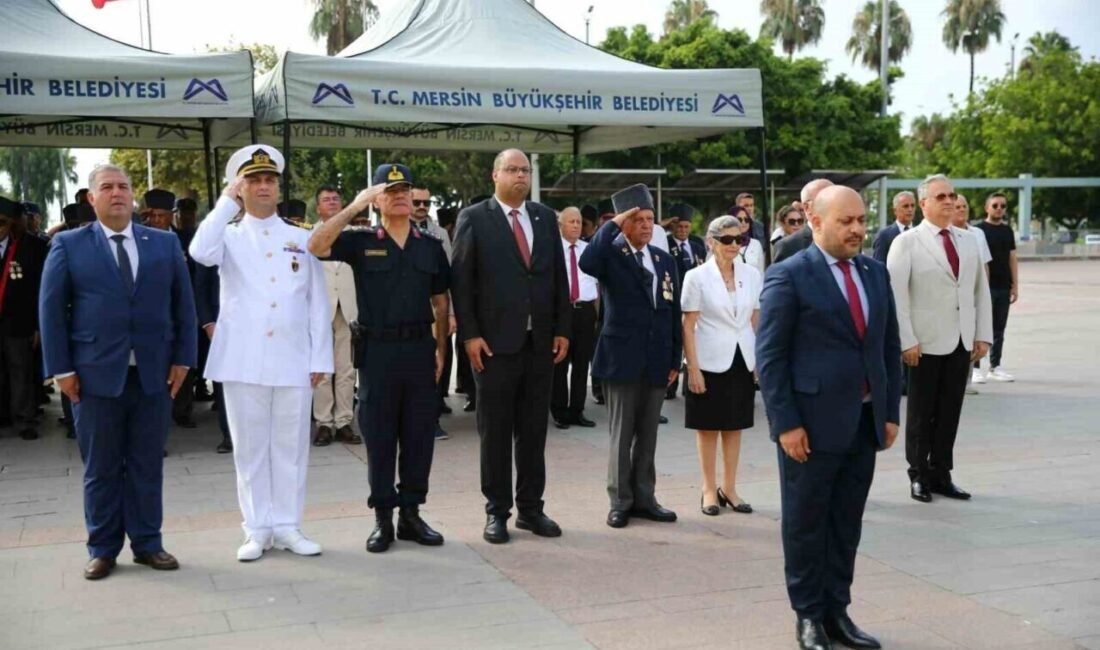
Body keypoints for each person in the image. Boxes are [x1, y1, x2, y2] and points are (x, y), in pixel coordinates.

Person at [756, 185, 901, 650]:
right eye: (846, 221)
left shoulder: (875, 273)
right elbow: (771, 357)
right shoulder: (788, 275)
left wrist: (890, 410)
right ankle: (808, 616)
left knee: (846, 522)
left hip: (863, 423)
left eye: (861, 219)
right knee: (805, 522)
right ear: (815, 222)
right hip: (810, 429)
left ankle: (838, 610)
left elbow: (886, 346)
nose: (858, 229)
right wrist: (786, 424)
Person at [39, 164, 197, 580]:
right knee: (101, 466)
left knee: (147, 462)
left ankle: (148, 543)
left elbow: (184, 305)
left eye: (123, 187)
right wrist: (61, 370)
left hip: (154, 375)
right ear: (91, 199)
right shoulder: (69, 245)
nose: (116, 193)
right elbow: (51, 312)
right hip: (92, 377)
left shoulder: (163, 244)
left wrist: (184, 359)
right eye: (106, 187)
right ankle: (103, 548)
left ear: (134, 196)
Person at [189, 145, 333, 562]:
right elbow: (199, 251)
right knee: (250, 449)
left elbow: (317, 302)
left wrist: (320, 358)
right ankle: (256, 528)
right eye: (254, 180)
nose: (264, 186)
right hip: (244, 358)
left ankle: (288, 525)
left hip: (292, 356)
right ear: (241, 186)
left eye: (270, 179)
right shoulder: (227, 235)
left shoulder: (300, 236)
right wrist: (224, 202)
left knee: (290, 447)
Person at [309, 163, 451, 554]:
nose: (400, 195)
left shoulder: (430, 245)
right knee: (381, 436)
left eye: (404, 189)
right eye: (389, 191)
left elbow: (441, 301)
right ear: (376, 199)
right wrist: (354, 206)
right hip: (378, 352)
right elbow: (316, 245)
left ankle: (411, 513)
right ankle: (383, 518)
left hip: (420, 349)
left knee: (421, 435)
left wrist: (441, 350)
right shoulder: (360, 240)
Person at [451, 148, 571, 545]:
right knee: (497, 432)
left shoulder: (543, 218)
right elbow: (462, 282)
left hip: (540, 345)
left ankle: (531, 509)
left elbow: (557, 277)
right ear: (495, 175)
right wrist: (469, 334)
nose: (520, 176)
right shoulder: (474, 218)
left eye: (525, 170)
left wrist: (561, 329)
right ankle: (496, 511)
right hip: (494, 347)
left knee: (534, 431)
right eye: (512, 170)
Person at [579, 184, 680, 530]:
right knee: (622, 435)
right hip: (621, 357)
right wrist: (615, 223)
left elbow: (671, 310)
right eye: (638, 219)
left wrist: (674, 359)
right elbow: (587, 260)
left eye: (650, 219)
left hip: (656, 358)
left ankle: (645, 498)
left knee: (648, 435)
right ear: (624, 223)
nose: (646, 225)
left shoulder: (664, 260)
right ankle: (619, 500)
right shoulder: (610, 256)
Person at [887, 174, 992, 504]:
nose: (949, 201)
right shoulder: (907, 242)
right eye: (941, 196)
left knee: (950, 410)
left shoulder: (969, 240)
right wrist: (906, 339)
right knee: (921, 411)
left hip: (961, 340)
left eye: (952, 195)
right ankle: (918, 474)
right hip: (924, 342)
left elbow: (980, 291)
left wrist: (982, 335)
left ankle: (941, 472)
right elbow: (896, 295)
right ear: (923, 204)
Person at [681, 215, 761, 516]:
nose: (733, 245)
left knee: (735, 425)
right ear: (711, 242)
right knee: (707, 426)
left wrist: (757, 359)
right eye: (726, 240)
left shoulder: (751, 274)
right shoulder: (696, 276)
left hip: (742, 357)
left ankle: (730, 487)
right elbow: (688, 325)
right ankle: (708, 489)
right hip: (708, 358)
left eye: (738, 239)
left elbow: (755, 318)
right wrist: (693, 367)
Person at [311, 185, 361, 447]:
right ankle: (323, 423)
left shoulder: (356, 236)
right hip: (320, 310)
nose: (331, 203)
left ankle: (343, 421)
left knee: (346, 369)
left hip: (349, 309)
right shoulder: (309, 235)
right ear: (318, 207)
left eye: (335, 199)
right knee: (322, 371)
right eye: (326, 200)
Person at [411, 184, 456, 439]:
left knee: (438, 360)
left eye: (426, 204)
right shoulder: (397, 228)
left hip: (437, 307)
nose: (421, 208)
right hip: (409, 308)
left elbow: (449, 275)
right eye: (416, 202)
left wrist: (452, 313)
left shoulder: (439, 233)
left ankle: (433, 417)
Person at [0, 198, 48, 440]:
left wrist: (38, 325)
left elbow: (40, 289)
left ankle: (24, 420)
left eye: (2, 223)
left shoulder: (31, 248)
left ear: (12, 224)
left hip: (18, 322)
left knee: (20, 371)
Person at [551, 207, 598, 430]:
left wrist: (596, 312)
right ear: (561, 225)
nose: (577, 226)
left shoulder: (589, 250)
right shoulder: (552, 251)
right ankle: (560, 411)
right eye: (571, 222)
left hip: (585, 311)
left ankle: (577, 410)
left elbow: (596, 284)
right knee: (559, 363)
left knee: (581, 363)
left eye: (579, 222)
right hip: (561, 311)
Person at [973, 192, 1018, 383]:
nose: (999, 209)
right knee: (979, 327)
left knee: (999, 328)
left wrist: (1015, 285)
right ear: (987, 208)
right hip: (984, 287)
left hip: (1003, 287)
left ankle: (995, 366)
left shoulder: (1008, 231)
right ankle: (974, 368)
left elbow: (1012, 257)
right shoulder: (978, 231)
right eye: (995, 205)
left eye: (1002, 206)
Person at [193, 261, 233, 453]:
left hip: (261, 324)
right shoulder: (216, 236)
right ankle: (229, 435)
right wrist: (208, 322)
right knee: (224, 382)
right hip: (222, 323)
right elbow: (200, 286)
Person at [591, 198, 616, 406]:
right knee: (597, 350)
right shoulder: (597, 241)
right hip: (594, 306)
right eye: (606, 219)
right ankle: (598, 387)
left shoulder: (619, 241)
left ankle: (606, 388)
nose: (610, 222)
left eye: (613, 219)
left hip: (611, 305)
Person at [773, 179, 834, 263]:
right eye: (826, 200)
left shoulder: (848, 238)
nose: (835, 204)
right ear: (807, 207)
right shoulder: (788, 246)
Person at [872, 191, 916, 264]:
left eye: (912, 205)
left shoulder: (920, 233)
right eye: (906, 206)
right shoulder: (884, 235)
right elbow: (878, 266)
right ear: (895, 211)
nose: (910, 209)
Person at [731, 205, 765, 274]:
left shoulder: (756, 244)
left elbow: (761, 272)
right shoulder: (725, 243)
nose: (743, 222)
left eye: (746, 219)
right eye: (739, 219)